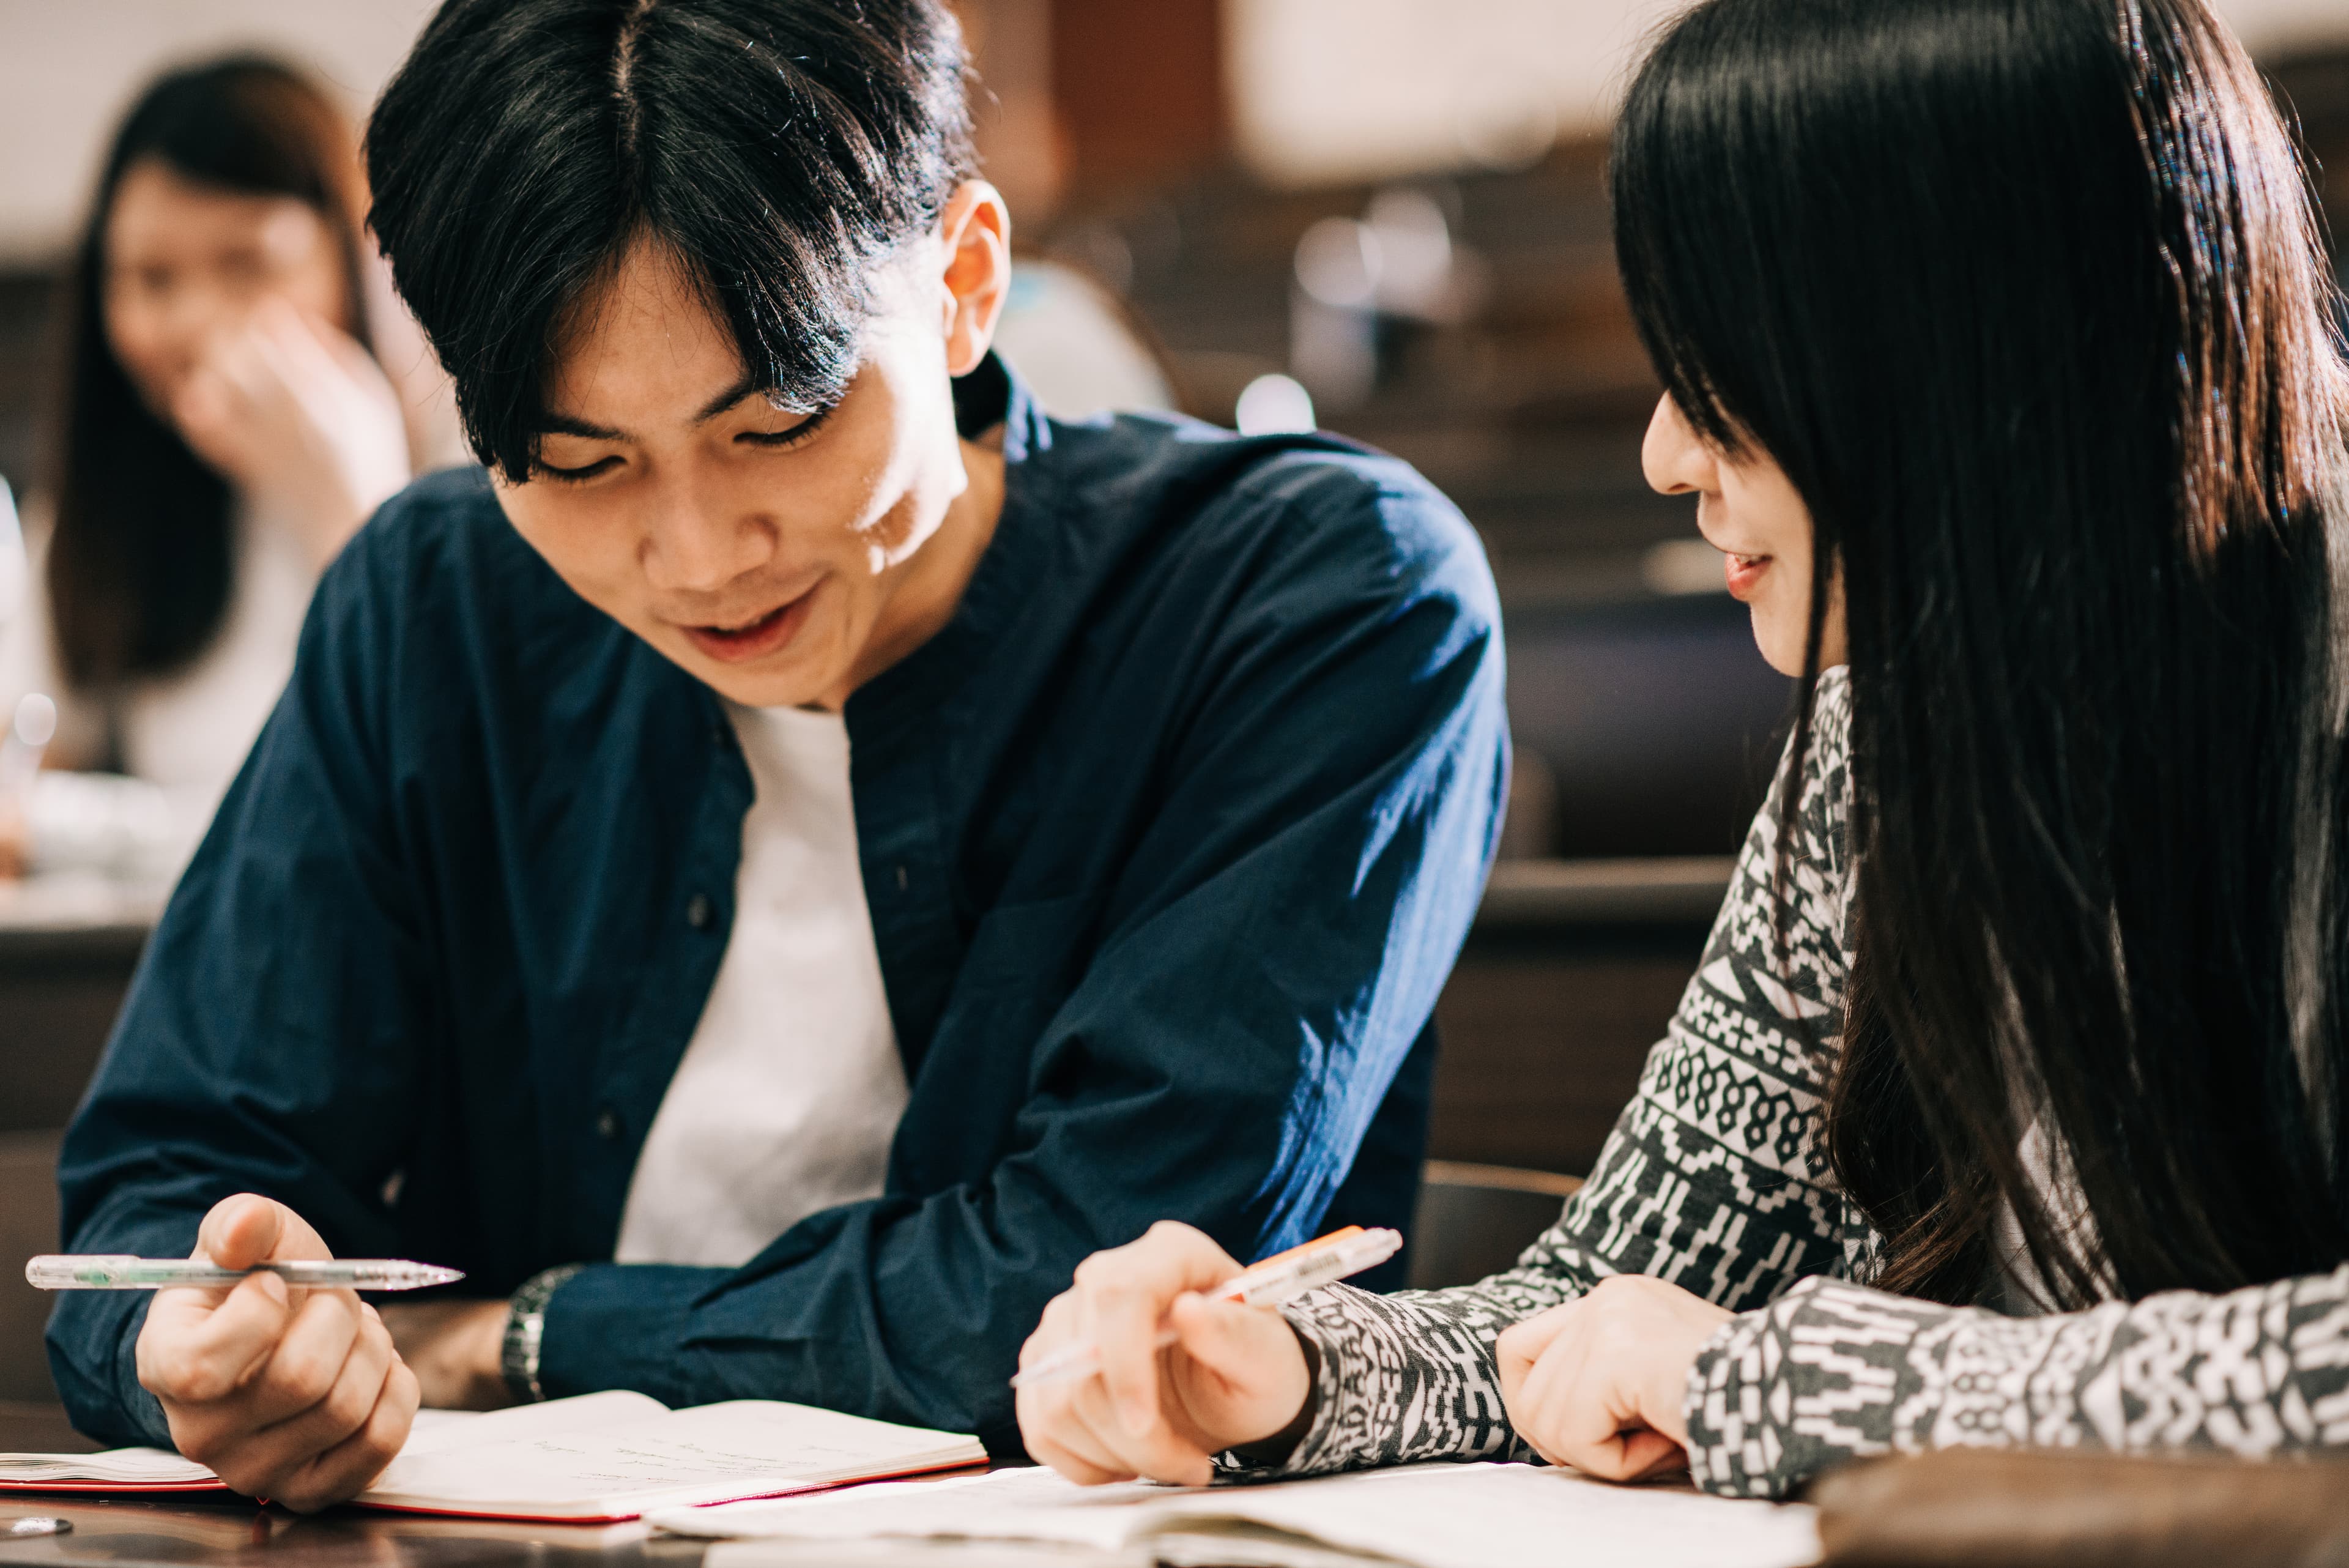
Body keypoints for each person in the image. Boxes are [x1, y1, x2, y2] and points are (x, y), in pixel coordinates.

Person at [46, 0, 1508, 1515]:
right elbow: (165, 1191)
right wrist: (200, 1337)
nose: (697, 559)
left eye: (781, 425)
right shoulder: (442, 602)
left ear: (962, 283)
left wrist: (517, 1333)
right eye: (580, 463)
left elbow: (1101, 1281)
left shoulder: (1315, 598)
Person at [1015, 0, 2349, 1503]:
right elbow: (1611, 1302)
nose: (1664, 452)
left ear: (1952, 349)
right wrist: (1289, 1370)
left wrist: (1772, 1382)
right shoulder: (1889, 724)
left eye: (1724, 373)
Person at [0, 57, 453, 880]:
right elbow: (19, 803)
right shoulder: (104, 511)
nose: (194, 324)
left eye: (247, 263)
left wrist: (348, 506)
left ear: (360, 258)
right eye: (151, 279)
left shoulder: (465, 470)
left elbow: (441, 794)